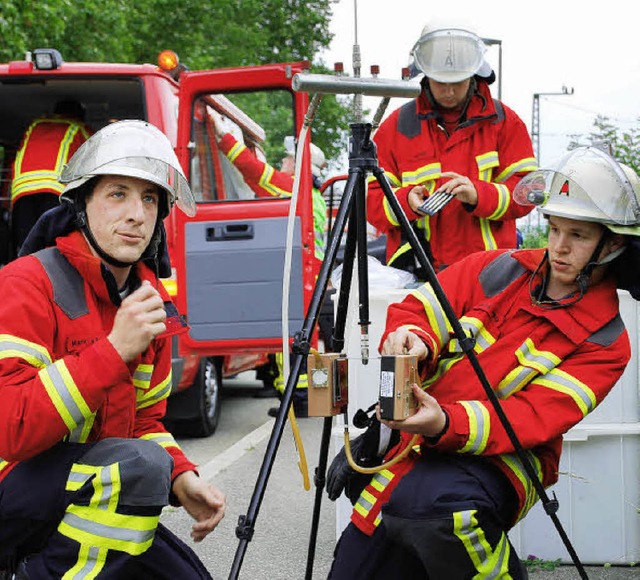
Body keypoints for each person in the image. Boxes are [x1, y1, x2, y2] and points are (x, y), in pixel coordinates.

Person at [326, 146, 640, 578]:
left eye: (579, 236)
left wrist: (443, 424)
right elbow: (420, 310)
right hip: (418, 444)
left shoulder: (606, 341)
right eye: (553, 229)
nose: (559, 248)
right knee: (355, 567)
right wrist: (412, 340)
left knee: (434, 511)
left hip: (507, 459)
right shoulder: (497, 268)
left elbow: (529, 418)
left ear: (615, 244)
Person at [0, 120, 226, 579]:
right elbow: (11, 430)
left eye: (149, 198)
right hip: (14, 493)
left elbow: (144, 421)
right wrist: (111, 350)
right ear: (82, 204)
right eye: (117, 194)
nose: (136, 214)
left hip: (89, 491)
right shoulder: (25, 284)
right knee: (140, 468)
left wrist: (182, 475)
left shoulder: (149, 302)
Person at [367, 19, 538, 277]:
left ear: (474, 74)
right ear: (424, 74)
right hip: (417, 274)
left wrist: (479, 195)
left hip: (490, 274)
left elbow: (529, 192)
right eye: (440, 81)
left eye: (457, 82)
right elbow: (370, 199)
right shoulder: (397, 127)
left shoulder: (504, 122)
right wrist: (406, 202)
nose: (448, 91)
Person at [214, 117, 329, 417]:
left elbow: (254, 173)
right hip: (310, 279)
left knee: (292, 341)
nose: (283, 162)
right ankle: (300, 398)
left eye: (288, 158)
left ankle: (299, 400)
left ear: (300, 163)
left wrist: (225, 138)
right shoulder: (311, 193)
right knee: (302, 340)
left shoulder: (293, 187)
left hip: (298, 281)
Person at [10, 99, 92, 257]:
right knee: (54, 246)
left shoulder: (35, 126)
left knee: (26, 246)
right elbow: (92, 162)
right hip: (55, 190)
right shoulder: (79, 128)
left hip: (22, 190)